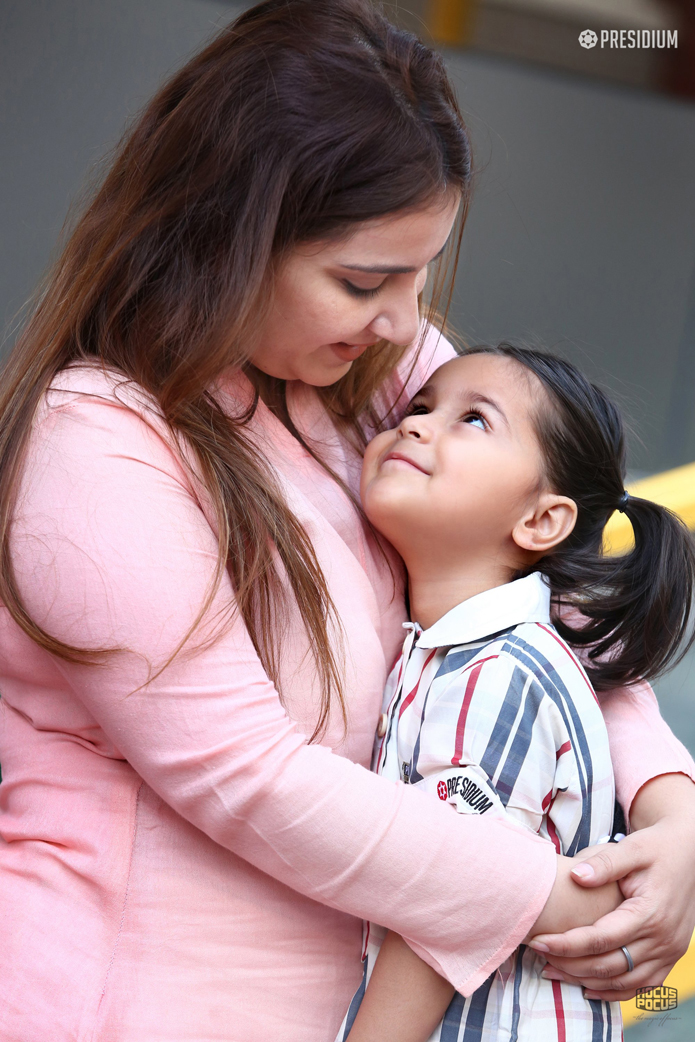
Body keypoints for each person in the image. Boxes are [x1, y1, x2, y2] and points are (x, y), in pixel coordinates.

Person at [0, 3, 694, 1040]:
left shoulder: (385, 377)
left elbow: (539, 591)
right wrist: (562, 895)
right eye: (364, 280)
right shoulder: (97, 445)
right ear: (232, 236)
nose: (408, 319)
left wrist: (665, 809)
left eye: (421, 271)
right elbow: (250, 778)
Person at [336, 345, 695, 1041]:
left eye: (473, 420)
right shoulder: (457, 654)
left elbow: (454, 894)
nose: (414, 426)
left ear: (539, 521)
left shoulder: (493, 673)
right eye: (418, 408)